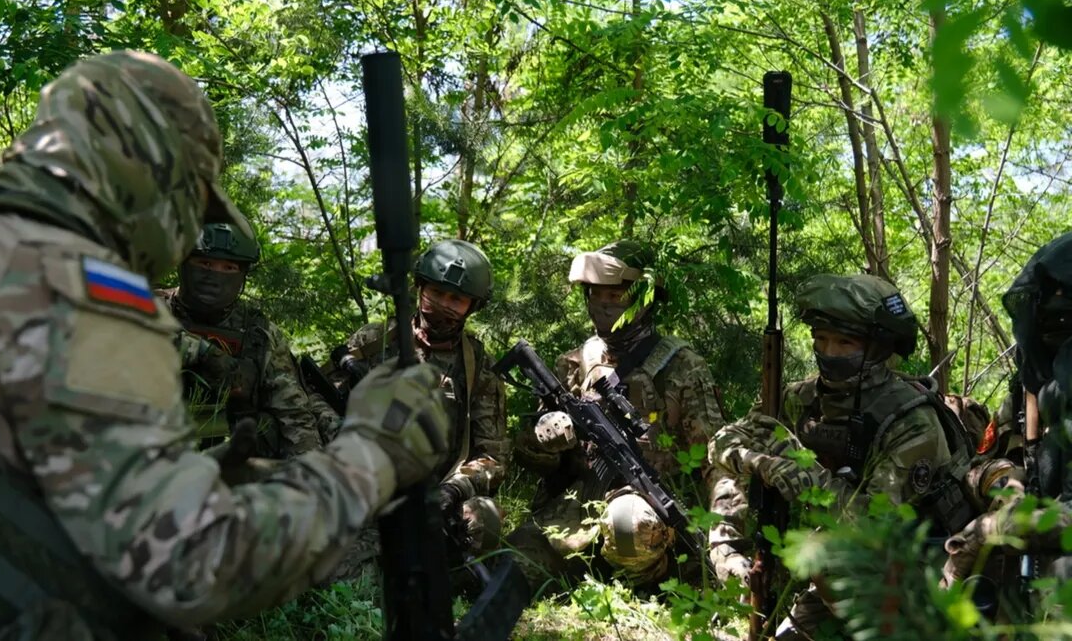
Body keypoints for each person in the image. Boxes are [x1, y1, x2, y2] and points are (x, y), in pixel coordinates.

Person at [0, 50, 450, 638]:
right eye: (194, 201)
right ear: (155, 173)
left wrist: (191, 476)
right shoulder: (73, 281)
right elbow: (191, 564)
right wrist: (373, 455)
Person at [709, 273, 977, 639]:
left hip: (919, 572)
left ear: (879, 347)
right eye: (821, 339)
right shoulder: (802, 398)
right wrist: (759, 464)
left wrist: (801, 473)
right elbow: (723, 441)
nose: (829, 353)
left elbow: (870, 524)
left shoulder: (911, 422)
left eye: (845, 342)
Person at [506, 240, 731, 595]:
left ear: (644, 299)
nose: (604, 304)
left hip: (649, 508)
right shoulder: (576, 362)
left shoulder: (682, 367)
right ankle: (587, 569)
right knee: (513, 565)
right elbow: (534, 458)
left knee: (627, 523)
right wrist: (544, 438)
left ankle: (646, 586)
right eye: (596, 294)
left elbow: (715, 461)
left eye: (616, 295)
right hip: (577, 507)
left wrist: (724, 535)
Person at [328, 238, 508, 570]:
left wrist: (452, 491)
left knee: (484, 517)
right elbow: (320, 400)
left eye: (456, 300)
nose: (443, 306)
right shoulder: (375, 343)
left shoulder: (479, 367)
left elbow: (492, 457)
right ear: (420, 287)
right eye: (437, 293)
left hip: (435, 497)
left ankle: (450, 572)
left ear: (472, 306)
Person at [944, 232, 1072, 591]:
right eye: (1049, 319)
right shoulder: (1028, 391)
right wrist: (1007, 483)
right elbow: (978, 469)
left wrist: (992, 529)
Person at [158, 219, 341, 456]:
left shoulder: (259, 333)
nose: (215, 276)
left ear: (243, 273)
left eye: (229, 268)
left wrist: (307, 471)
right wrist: (202, 352)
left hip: (233, 457)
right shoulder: (146, 307)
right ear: (183, 262)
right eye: (205, 263)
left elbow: (293, 414)